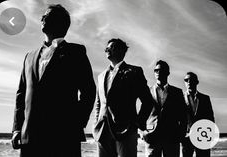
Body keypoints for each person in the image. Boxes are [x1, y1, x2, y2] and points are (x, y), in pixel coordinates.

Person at [11, 4, 96, 157]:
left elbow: (88, 92)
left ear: (60, 23)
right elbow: (21, 95)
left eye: (47, 16)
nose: (42, 19)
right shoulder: (29, 57)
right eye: (43, 16)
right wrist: (17, 128)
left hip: (63, 137)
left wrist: (76, 124)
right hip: (29, 137)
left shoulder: (76, 52)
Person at [92, 38, 154, 157]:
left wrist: (137, 123)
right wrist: (96, 125)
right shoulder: (101, 76)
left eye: (111, 47)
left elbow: (147, 101)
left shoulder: (134, 72)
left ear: (121, 51)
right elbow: (99, 104)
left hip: (126, 131)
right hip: (102, 132)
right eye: (106, 48)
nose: (107, 49)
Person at [141, 60, 187, 157]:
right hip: (151, 136)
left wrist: (180, 135)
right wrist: (142, 132)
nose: (158, 72)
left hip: (172, 137)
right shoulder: (147, 91)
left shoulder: (177, 92)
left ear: (168, 73)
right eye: (156, 70)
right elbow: (142, 113)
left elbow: (183, 116)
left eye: (161, 70)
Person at [181, 72, 215, 157]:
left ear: (197, 82)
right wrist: (181, 134)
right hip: (186, 138)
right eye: (186, 80)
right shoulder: (180, 98)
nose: (188, 82)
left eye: (191, 80)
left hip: (203, 136)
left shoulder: (205, 98)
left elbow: (210, 118)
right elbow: (177, 118)